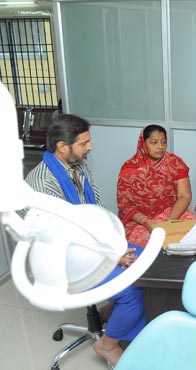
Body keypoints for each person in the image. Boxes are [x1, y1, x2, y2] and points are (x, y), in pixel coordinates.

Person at [25, 114, 144, 366]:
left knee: (148, 266)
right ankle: (107, 345)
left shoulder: (77, 165)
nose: (89, 147)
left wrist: (116, 243)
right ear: (62, 146)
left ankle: (107, 313)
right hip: (64, 259)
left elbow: (98, 210)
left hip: (89, 246)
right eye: (84, 143)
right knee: (133, 290)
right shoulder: (41, 184)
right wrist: (111, 255)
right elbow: (64, 237)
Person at [117, 124, 195, 246]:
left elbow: (184, 196)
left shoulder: (175, 163)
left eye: (163, 142)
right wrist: (147, 222)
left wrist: (169, 222)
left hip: (171, 213)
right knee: (149, 241)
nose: (160, 147)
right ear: (144, 143)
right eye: (154, 142)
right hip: (140, 219)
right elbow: (125, 205)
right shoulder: (130, 169)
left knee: (192, 233)